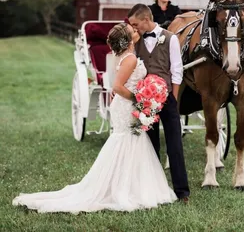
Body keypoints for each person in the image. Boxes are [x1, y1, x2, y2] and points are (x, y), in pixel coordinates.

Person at [12, 23, 177, 214]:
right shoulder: (130, 58)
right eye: (133, 31)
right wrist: (140, 98)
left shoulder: (122, 56)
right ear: (127, 39)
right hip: (127, 105)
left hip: (124, 104)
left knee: (131, 141)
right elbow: (117, 87)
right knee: (127, 140)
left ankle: (128, 185)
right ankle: (122, 188)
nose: (136, 31)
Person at [127, 4, 190, 203]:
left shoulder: (170, 38)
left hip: (167, 98)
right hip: (143, 100)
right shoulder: (135, 41)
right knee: (149, 144)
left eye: (135, 24)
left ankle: (182, 192)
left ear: (146, 20)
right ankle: (153, 189)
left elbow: (177, 70)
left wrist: (172, 97)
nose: (134, 29)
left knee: (175, 145)